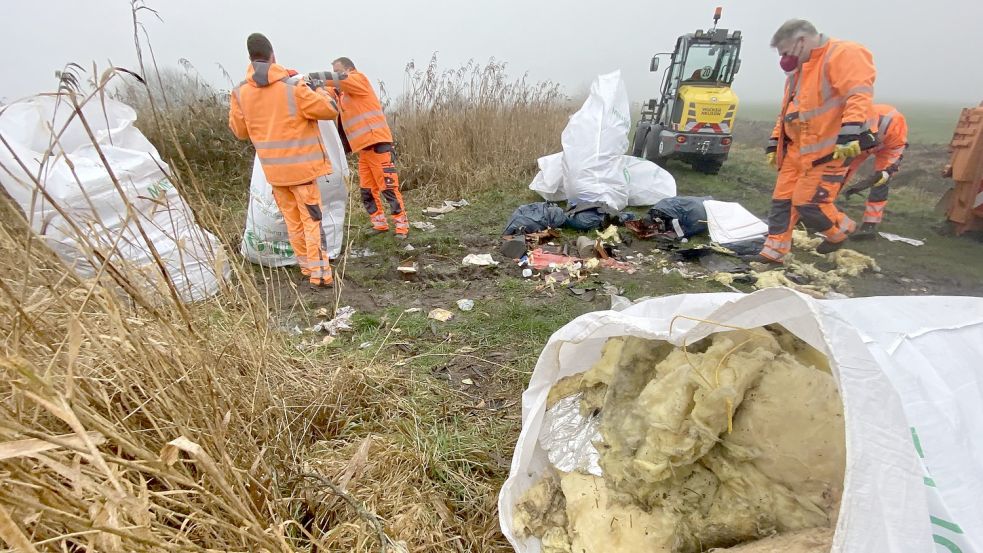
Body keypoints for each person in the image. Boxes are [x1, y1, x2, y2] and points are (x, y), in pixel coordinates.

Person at [758, 19, 877, 263]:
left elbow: (858, 94)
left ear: (801, 41)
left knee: (808, 204)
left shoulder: (843, 54)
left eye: (786, 52)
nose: (785, 59)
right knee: (781, 201)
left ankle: (838, 233)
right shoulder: (798, 72)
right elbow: (789, 111)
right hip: (796, 151)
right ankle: (774, 252)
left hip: (828, 150)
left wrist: (850, 131)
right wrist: (775, 141)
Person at [229, 33, 339, 287]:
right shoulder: (293, 88)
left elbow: (240, 132)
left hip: (275, 174)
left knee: (293, 222)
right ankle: (320, 275)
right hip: (303, 171)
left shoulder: (240, 93)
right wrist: (318, 88)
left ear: (250, 58)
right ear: (273, 56)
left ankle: (305, 266)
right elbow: (329, 109)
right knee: (312, 221)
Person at [323, 57, 408, 239]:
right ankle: (379, 225)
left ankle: (402, 227)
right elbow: (325, 91)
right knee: (367, 190)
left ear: (349, 69)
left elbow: (337, 80)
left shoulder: (358, 80)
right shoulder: (341, 93)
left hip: (378, 144)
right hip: (363, 149)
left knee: (388, 188)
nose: (335, 74)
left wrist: (318, 77)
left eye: (338, 70)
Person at [842, 104, 908, 239]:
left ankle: (869, 225)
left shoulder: (894, 126)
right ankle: (823, 208)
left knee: (881, 181)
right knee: (841, 171)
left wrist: (885, 172)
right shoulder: (854, 120)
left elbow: (895, 152)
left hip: (888, 146)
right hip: (858, 143)